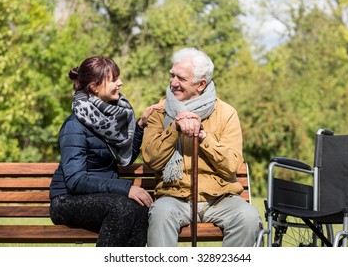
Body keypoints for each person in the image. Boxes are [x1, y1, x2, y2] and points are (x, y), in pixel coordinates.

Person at [142, 47, 262, 247]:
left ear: (201, 84)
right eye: (172, 75)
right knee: (161, 214)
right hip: (175, 196)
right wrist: (175, 128)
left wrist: (203, 136)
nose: (173, 82)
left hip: (219, 198)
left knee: (248, 217)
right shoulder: (159, 111)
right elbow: (152, 159)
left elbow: (232, 165)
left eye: (180, 78)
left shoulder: (226, 113)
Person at [49, 56, 158, 247]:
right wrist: (127, 188)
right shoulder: (74, 126)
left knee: (141, 210)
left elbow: (124, 158)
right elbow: (76, 181)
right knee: (121, 208)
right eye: (114, 79)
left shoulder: (112, 120)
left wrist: (140, 125)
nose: (120, 83)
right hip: (67, 200)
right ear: (94, 87)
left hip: (103, 197)